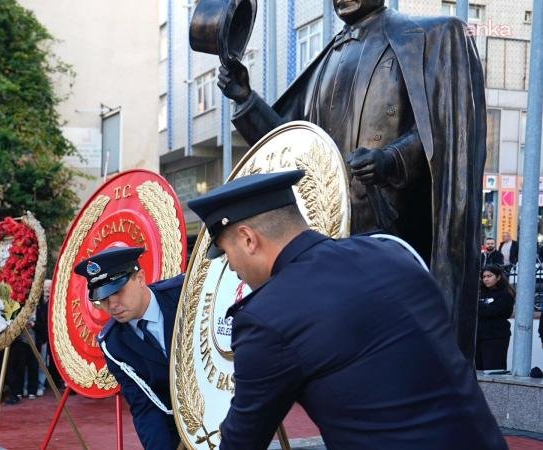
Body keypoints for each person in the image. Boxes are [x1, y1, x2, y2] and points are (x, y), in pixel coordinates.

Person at [214, 0, 485, 358]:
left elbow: (447, 132)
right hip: (330, 243)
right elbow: (292, 146)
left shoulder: (431, 35)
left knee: (395, 353)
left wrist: (391, 159)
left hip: (394, 245)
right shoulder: (327, 60)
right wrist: (247, 99)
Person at [186, 170, 506, 450]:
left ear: (247, 238)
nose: (231, 267)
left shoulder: (267, 317)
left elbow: (242, 439)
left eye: (226, 253)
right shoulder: (391, 253)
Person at [75, 247, 184, 449]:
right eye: (103, 299)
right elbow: (144, 406)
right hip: (176, 427)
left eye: (117, 291)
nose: (112, 305)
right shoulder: (113, 344)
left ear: (140, 278)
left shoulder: (183, 294)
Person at [477, 265, 515, 371]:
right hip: (479, 337)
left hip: (496, 337)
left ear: (498, 277)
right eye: (484, 277)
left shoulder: (505, 294)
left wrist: (478, 307)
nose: (486, 279)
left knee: (493, 370)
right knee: (477, 371)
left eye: (489, 276)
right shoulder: (480, 293)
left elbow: (496, 311)